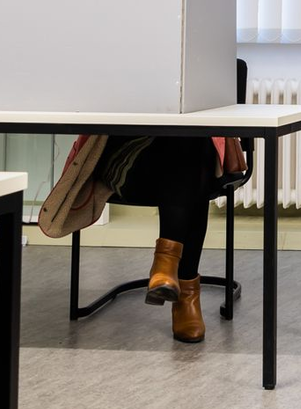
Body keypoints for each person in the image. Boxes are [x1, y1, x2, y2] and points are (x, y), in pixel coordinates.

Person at [38, 132, 246, 343]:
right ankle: (184, 292)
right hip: (127, 159)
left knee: (189, 139)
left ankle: (166, 270)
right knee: (190, 157)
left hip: (192, 157)